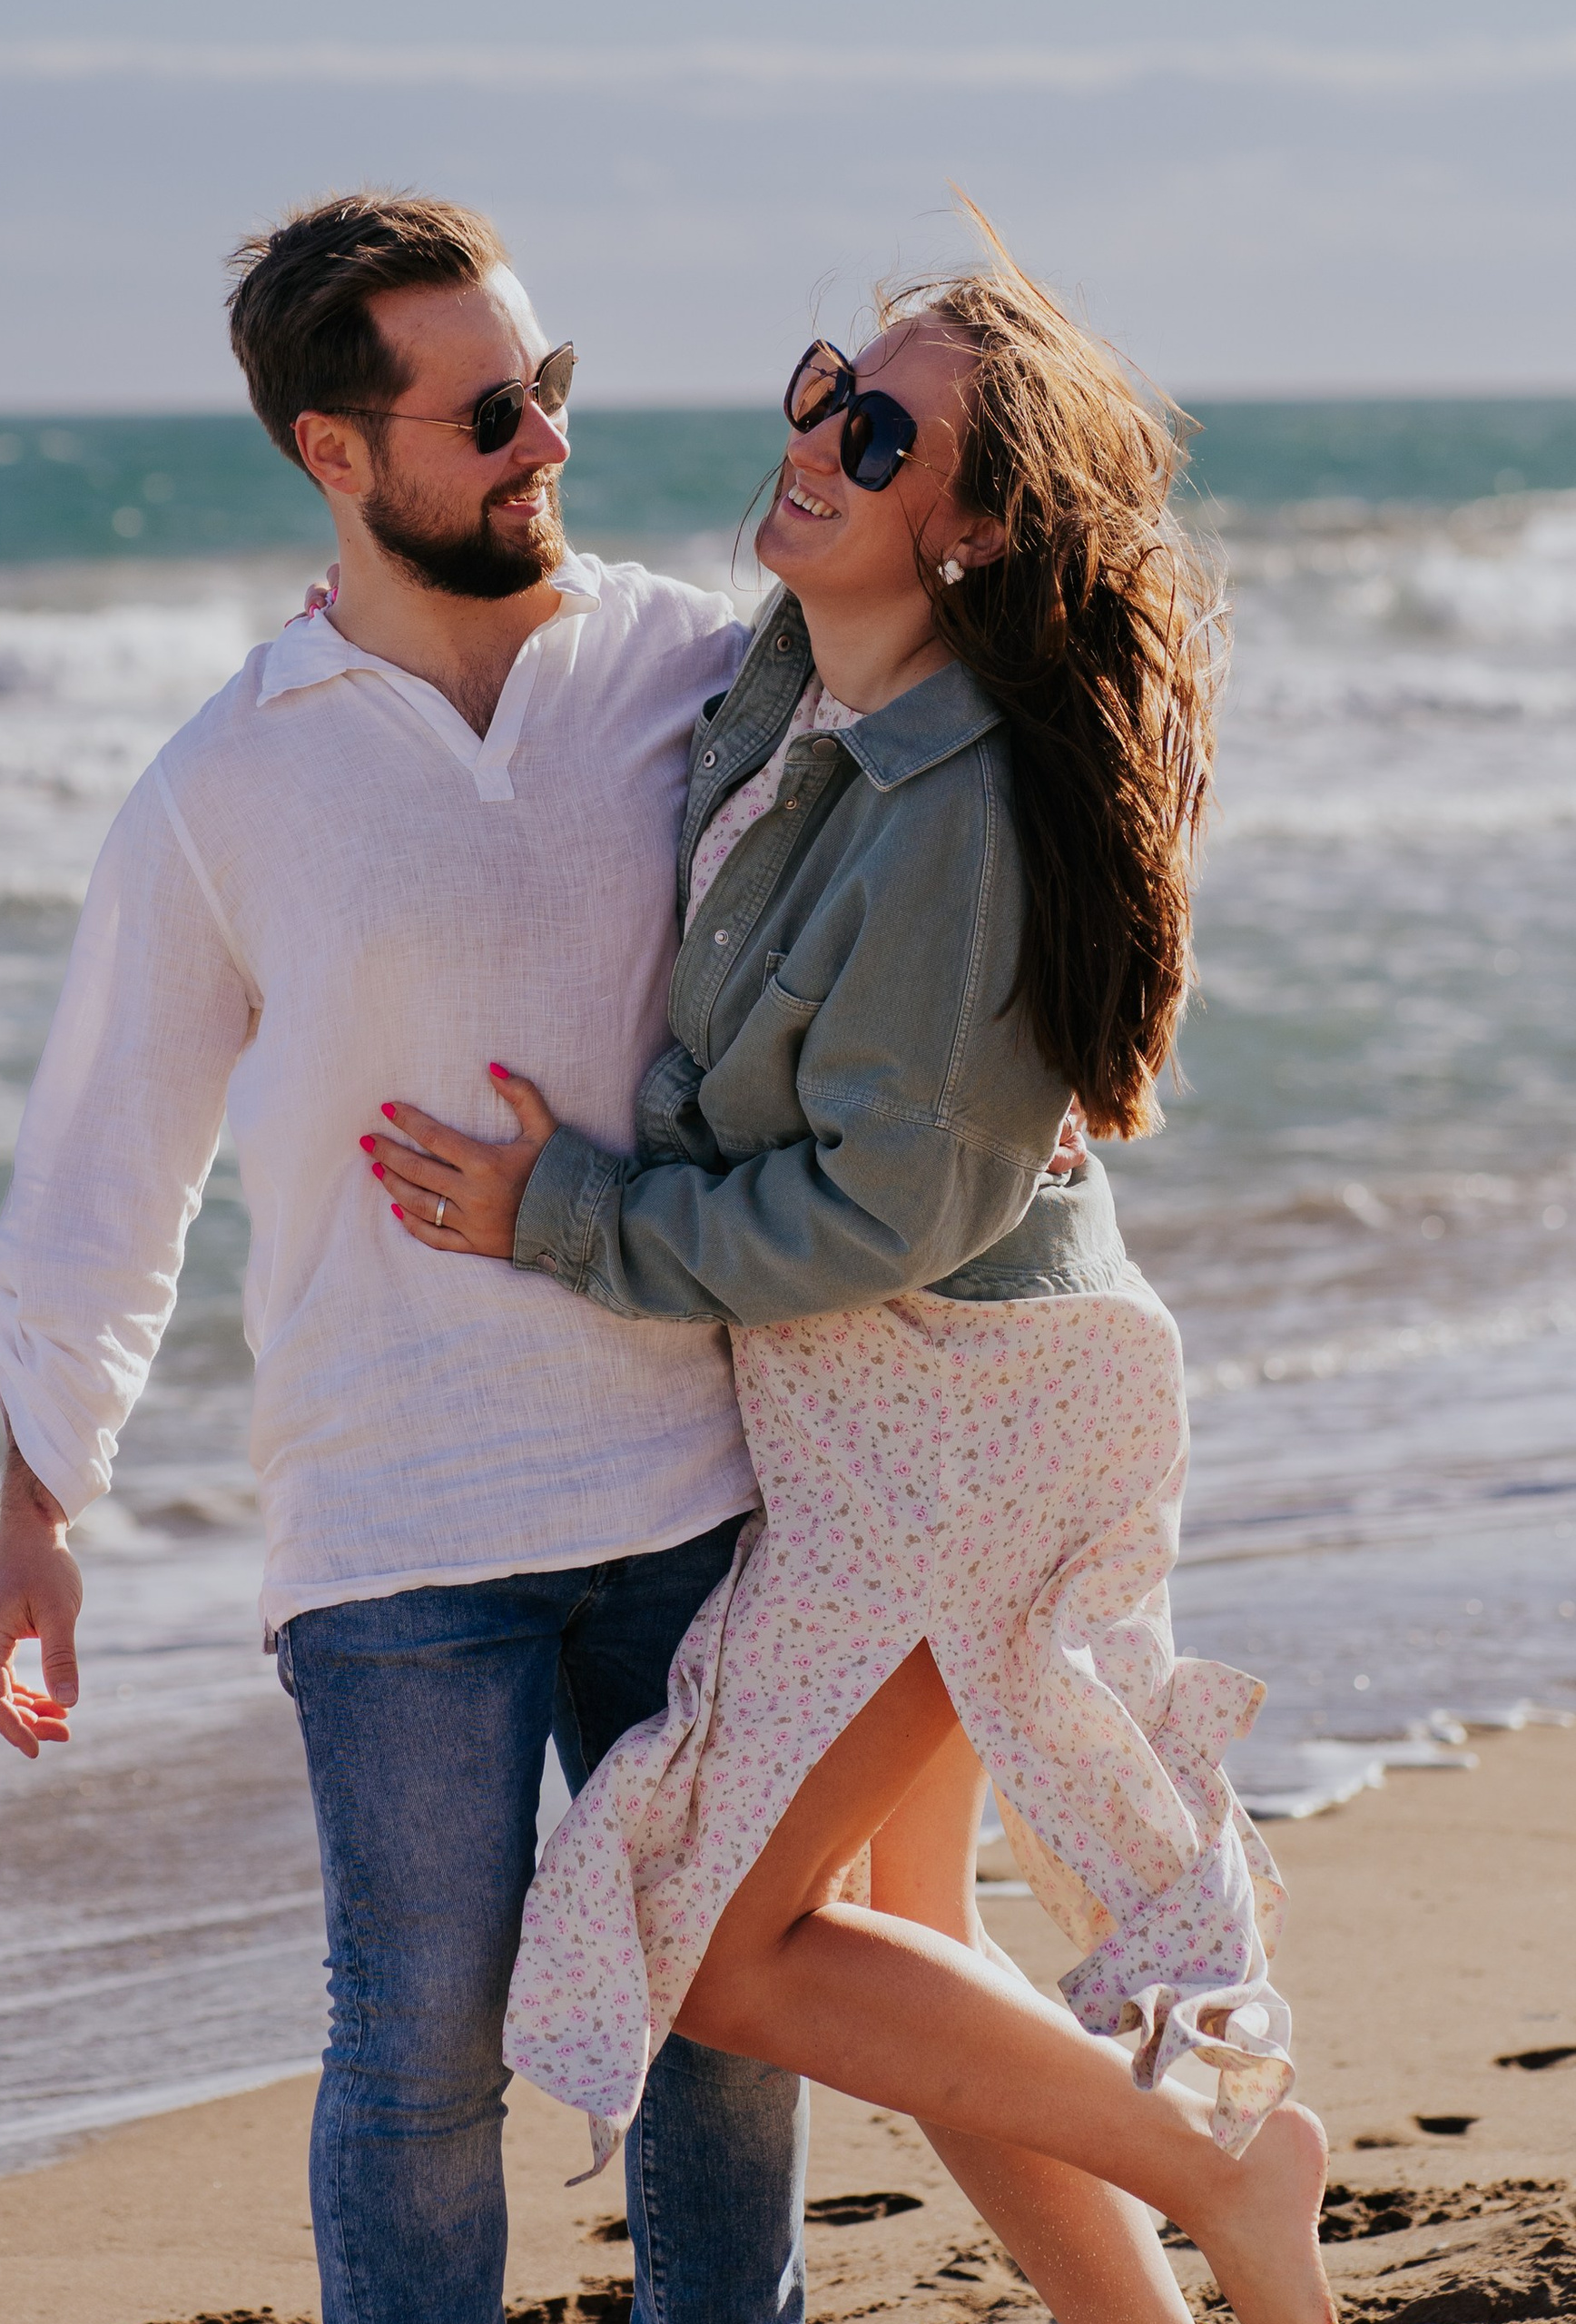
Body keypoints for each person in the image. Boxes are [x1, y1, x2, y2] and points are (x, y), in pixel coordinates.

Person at [362, 211, 1336, 2324]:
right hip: (889, 1390)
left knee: (736, 1942)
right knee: (913, 1946)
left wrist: (563, 1216)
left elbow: (873, 1213)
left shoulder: (953, 810)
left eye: (876, 430)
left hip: (961, 1402)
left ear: (975, 525)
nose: (813, 434)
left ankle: (1221, 2169)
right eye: (824, 382)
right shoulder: (795, 684)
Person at [0, 192, 813, 2324]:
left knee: (721, 2012)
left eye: (552, 388)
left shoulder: (690, 673)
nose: (544, 443)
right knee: (420, 2048)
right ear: (332, 454)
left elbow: (907, 892)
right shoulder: (222, 787)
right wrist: (33, 1513)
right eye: (489, 411)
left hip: (696, 1472)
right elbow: (104, 1157)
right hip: (394, 1521)